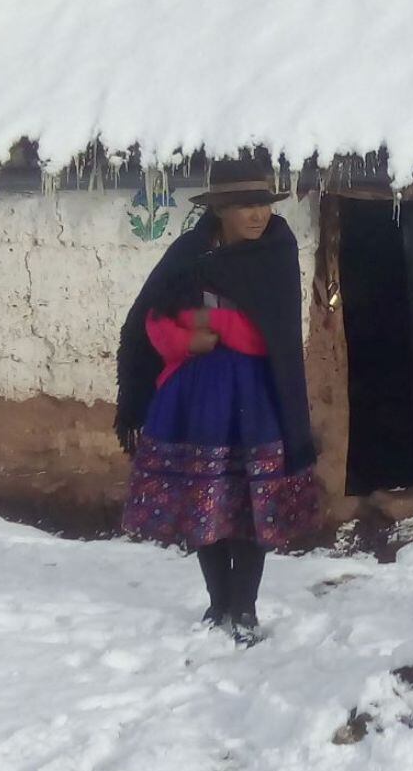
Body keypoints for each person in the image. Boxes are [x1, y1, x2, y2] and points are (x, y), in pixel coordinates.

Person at [114, 164, 320, 645]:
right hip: (195, 397)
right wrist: (188, 341)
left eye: (264, 204)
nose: (258, 215)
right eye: (246, 206)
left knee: (250, 503)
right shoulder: (189, 253)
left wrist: (210, 322)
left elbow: (267, 335)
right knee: (204, 498)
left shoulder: (275, 253)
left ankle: (245, 609)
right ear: (221, 210)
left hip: (255, 397)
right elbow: (152, 320)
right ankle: (218, 602)